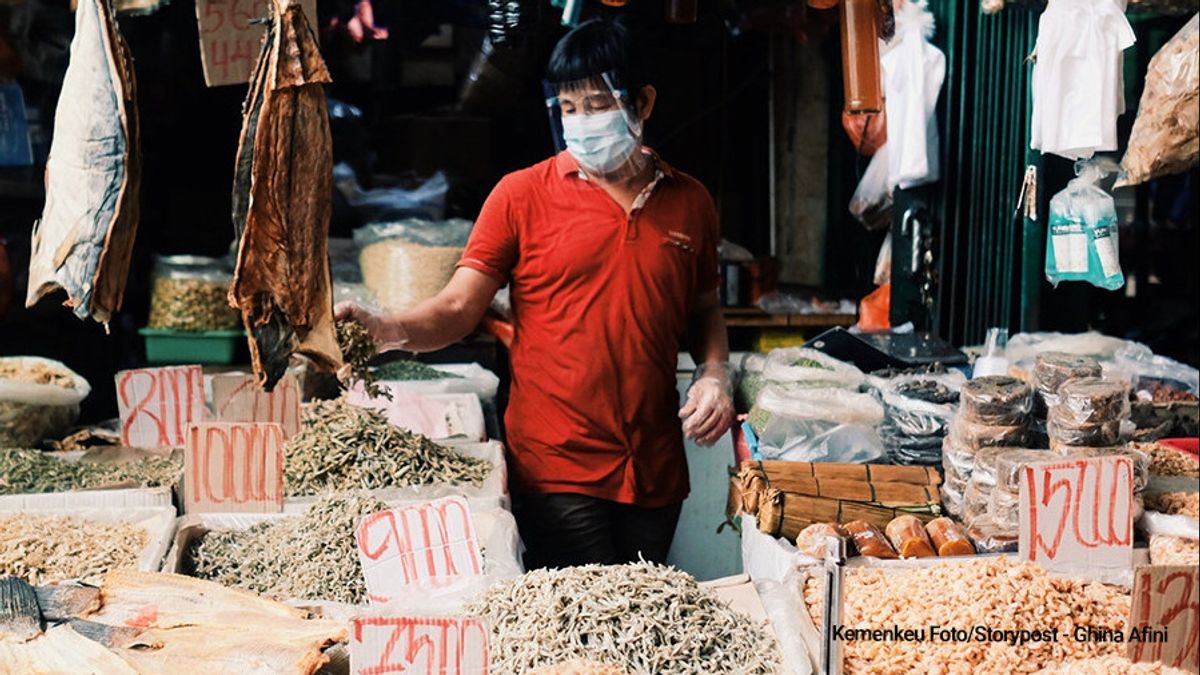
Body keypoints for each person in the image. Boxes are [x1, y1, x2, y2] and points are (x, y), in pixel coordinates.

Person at [336, 18, 734, 569]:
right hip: (556, 464)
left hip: (656, 468)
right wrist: (386, 330)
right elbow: (457, 308)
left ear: (643, 102)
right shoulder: (520, 195)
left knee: (644, 623)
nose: (581, 122)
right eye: (568, 109)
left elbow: (704, 307)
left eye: (596, 104)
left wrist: (716, 373)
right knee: (588, 632)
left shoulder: (691, 201)